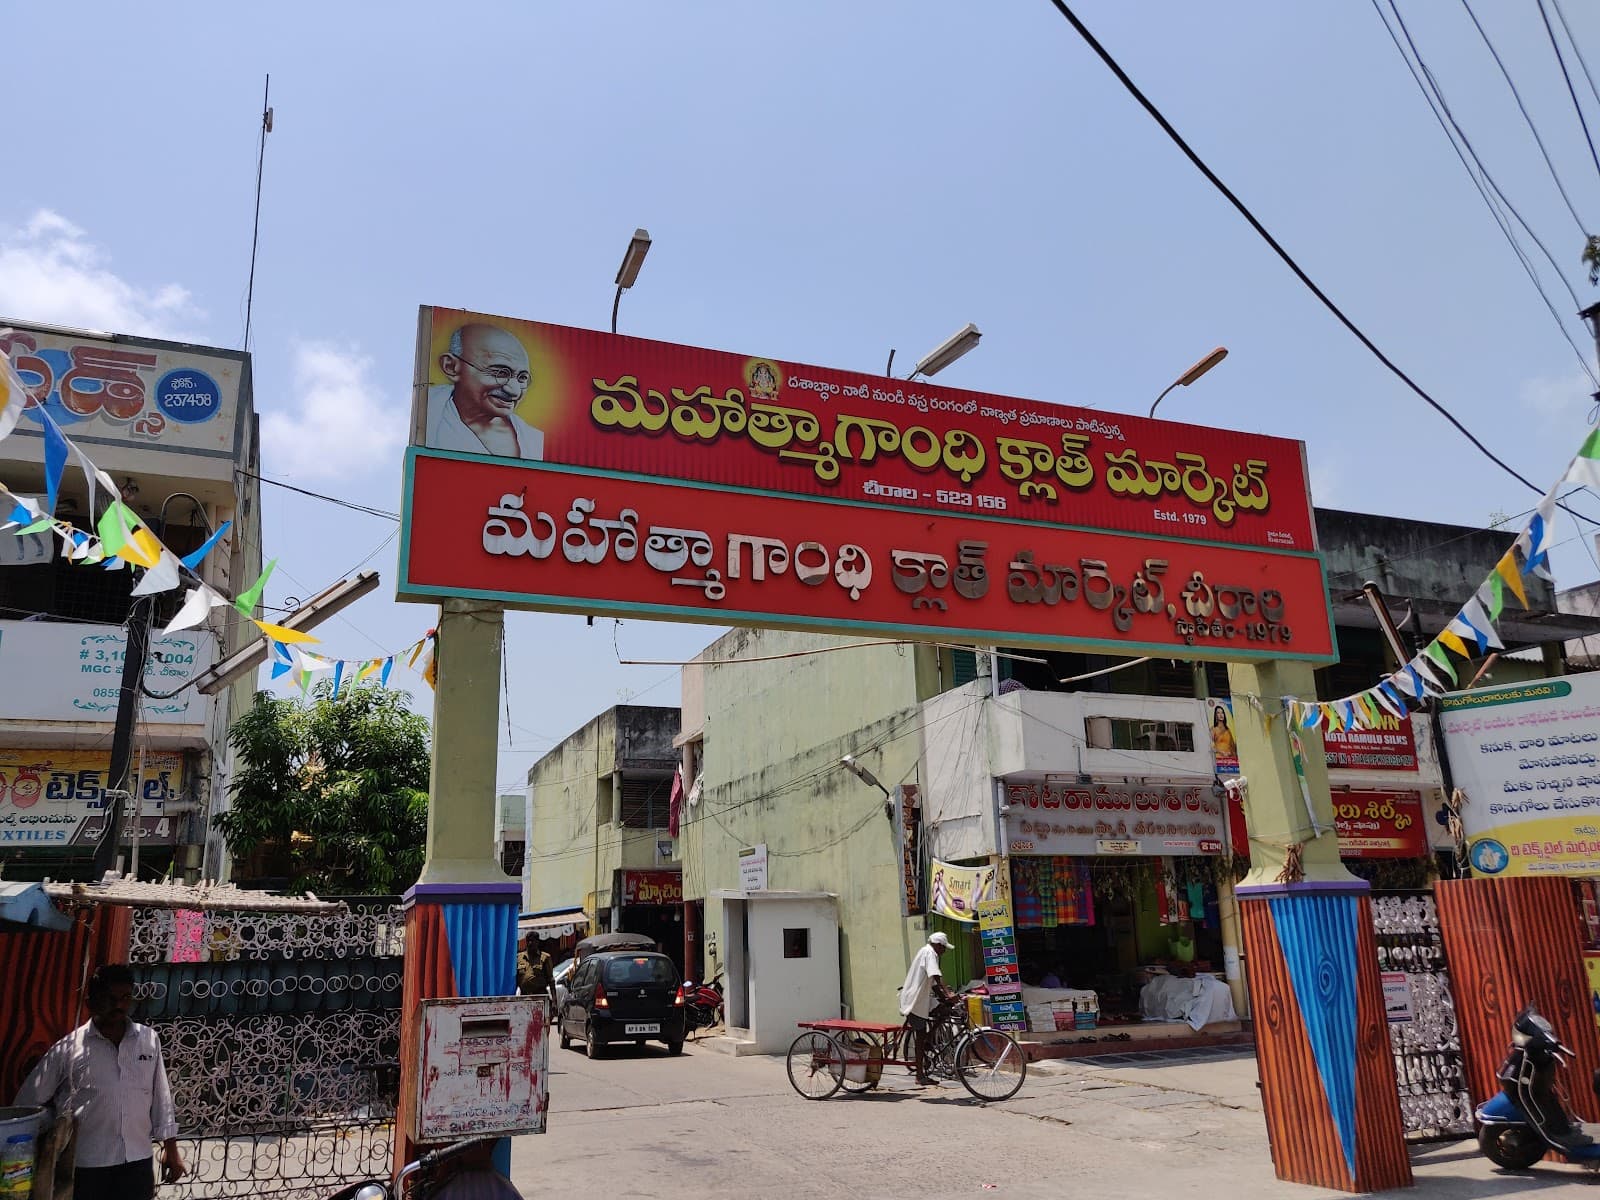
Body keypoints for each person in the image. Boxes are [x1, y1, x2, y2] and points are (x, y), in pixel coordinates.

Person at [15, 962, 185, 1200]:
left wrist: (171, 1150)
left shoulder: (148, 1040)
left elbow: (161, 1097)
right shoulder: (69, 1048)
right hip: (86, 1165)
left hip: (137, 1161)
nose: (118, 1005)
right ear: (91, 1001)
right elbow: (28, 1103)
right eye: (110, 998)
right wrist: (53, 1128)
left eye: (125, 997)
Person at [427, 323, 544, 459]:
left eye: (522, 378)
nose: (515, 391)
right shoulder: (428, 413)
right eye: (500, 373)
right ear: (451, 367)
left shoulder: (534, 440)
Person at [899, 931, 956, 1086]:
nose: (944, 952)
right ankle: (919, 1075)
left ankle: (929, 1041)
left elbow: (934, 982)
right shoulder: (929, 953)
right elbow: (936, 976)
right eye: (943, 948)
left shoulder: (928, 952)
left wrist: (945, 997)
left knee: (944, 1011)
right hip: (915, 1000)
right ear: (938, 945)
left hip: (923, 998)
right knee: (921, 1035)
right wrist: (948, 994)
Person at [516, 933, 554, 1000]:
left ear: (537, 942)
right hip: (524, 997)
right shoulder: (519, 957)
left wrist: (554, 1000)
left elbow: (551, 980)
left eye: (532, 941)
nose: (530, 943)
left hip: (540, 996)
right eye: (528, 941)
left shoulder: (544, 957)